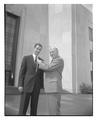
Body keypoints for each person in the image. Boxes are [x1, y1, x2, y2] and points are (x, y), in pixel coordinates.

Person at [18, 43, 43, 116]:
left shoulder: (41, 60)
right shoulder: (26, 58)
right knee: (23, 107)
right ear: (34, 48)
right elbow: (21, 72)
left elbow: (41, 75)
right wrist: (20, 85)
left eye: (40, 49)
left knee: (34, 108)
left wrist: (41, 87)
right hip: (26, 86)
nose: (38, 50)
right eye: (37, 48)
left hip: (36, 88)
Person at [39, 48, 64, 115]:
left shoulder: (59, 60)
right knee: (55, 110)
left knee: (53, 110)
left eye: (52, 52)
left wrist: (39, 63)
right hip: (53, 88)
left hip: (53, 88)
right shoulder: (55, 60)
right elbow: (49, 67)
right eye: (50, 52)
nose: (51, 54)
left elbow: (48, 68)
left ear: (57, 52)